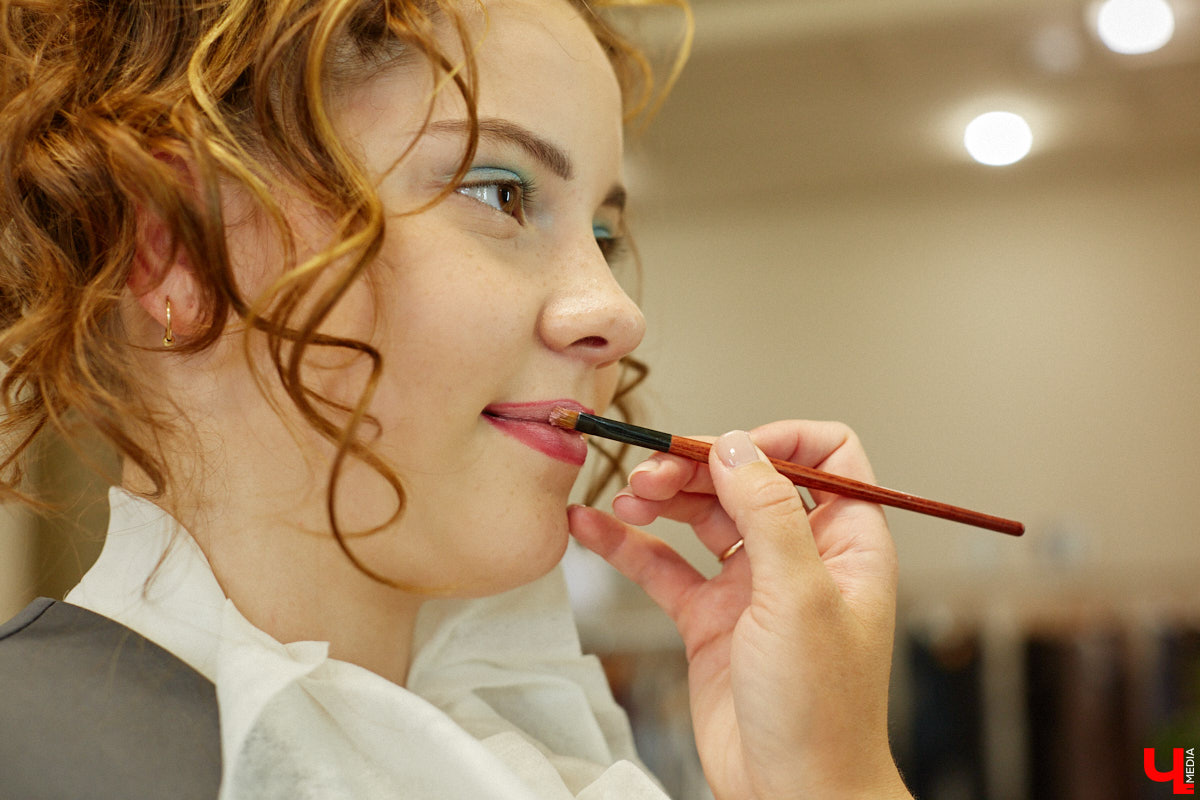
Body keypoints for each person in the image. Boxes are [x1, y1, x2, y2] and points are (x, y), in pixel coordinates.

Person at [0, 0, 914, 797]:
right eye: (500, 191)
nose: (618, 312)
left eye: (603, 234)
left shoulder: (557, 758)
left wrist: (829, 780)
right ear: (181, 251)